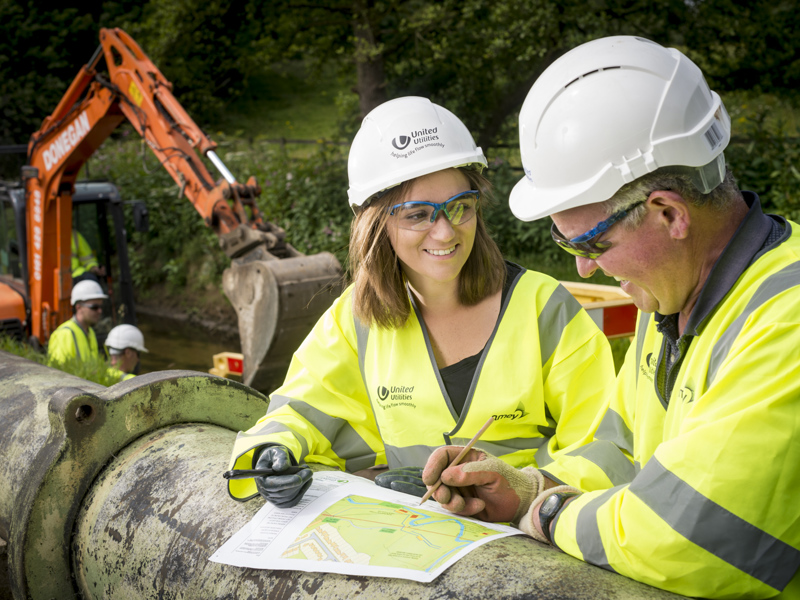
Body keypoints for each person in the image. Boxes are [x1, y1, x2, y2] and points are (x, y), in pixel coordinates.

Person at [422, 36, 800, 599]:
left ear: (668, 212)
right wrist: (524, 486)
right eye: (565, 241)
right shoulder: (670, 295)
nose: (583, 267)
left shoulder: (785, 320)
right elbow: (621, 449)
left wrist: (548, 515)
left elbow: (691, 537)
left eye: (593, 243)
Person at [226, 96, 615, 510]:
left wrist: (527, 492)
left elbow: (606, 449)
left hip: (525, 544)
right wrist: (274, 452)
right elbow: (300, 409)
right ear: (376, 224)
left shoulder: (544, 309)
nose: (445, 232)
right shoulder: (356, 317)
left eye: (459, 207)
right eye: (417, 214)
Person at [48, 279, 107, 364]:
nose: (99, 311)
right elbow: (59, 373)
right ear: (78, 307)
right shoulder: (65, 333)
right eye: (94, 307)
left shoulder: (90, 332)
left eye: (101, 307)